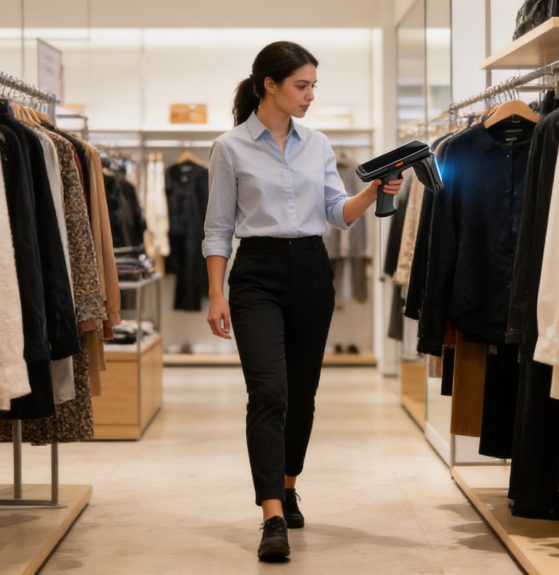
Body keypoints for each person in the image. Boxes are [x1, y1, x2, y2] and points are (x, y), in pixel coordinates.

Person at [202, 41, 403, 562]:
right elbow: (218, 228)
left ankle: (288, 485)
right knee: (268, 391)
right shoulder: (229, 147)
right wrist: (215, 293)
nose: (310, 95)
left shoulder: (318, 144)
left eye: (314, 85)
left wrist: (376, 189)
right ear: (269, 85)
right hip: (257, 276)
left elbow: (338, 212)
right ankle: (271, 514)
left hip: (313, 270)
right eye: (302, 85)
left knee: (303, 394)